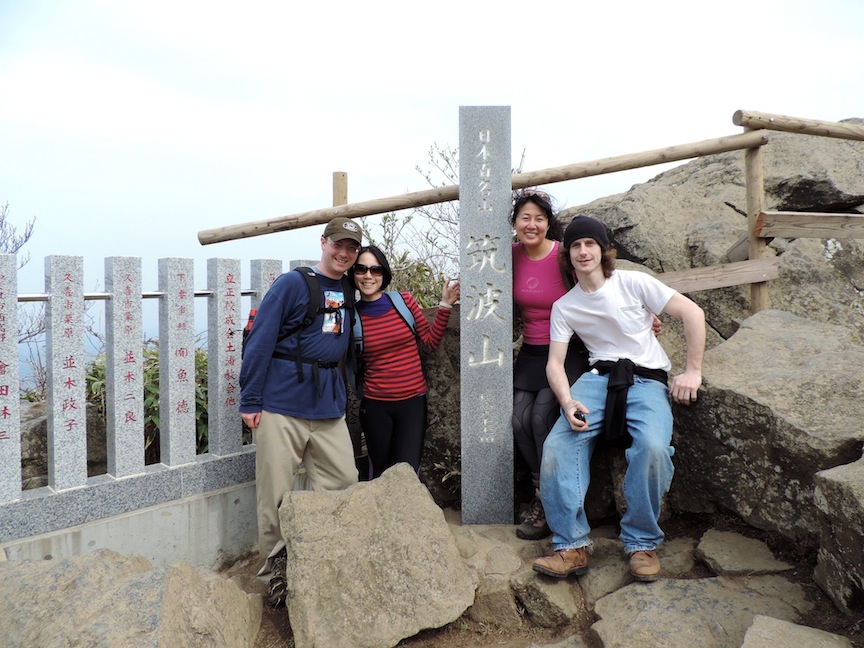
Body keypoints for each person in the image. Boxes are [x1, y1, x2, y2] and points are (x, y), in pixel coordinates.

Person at [533, 215, 705, 582]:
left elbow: (692, 312)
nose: (583, 251)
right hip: (596, 381)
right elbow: (555, 364)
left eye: (589, 244)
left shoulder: (633, 282)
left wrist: (692, 371)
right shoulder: (565, 306)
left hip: (646, 380)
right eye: (576, 245)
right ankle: (570, 546)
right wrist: (566, 401)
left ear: (602, 250)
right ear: (568, 255)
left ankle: (641, 543)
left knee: (654, 447)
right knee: (558, 446)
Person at [239, 216, 363, 608]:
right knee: (276, 491)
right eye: (338, 245)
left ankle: (325, 554)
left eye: (351, 248)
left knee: (344, 479)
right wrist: (250, 399)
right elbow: (259, 340)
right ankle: (275, 571)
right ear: (323, 242)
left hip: (328, 405)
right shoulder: (294, 284)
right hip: (281, 404)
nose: (343, 253)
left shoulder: (347, 287)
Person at [510, 189, 589, 540]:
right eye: (525, 217)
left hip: (567, 349)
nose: (532, 225)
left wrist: (640, 318)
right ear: (514, 223)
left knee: (542, 417)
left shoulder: (562, 256)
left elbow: (597, 285)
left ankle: (550, 502)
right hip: (531, 350)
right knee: (517, 420)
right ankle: (539, 493)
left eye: (539, 218)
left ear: (548, 223)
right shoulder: (507, 256)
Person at [351, 245, 460, 478]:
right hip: (375, 405)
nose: (368, 275)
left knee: (408, 472)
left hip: (412, 404)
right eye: (361, 269)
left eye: (375, 269)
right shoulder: (351, 316)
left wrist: (445, 305)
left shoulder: (403, 302)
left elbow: (430, 342)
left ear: (384, 274)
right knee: (379, 472)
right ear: (353, 273)